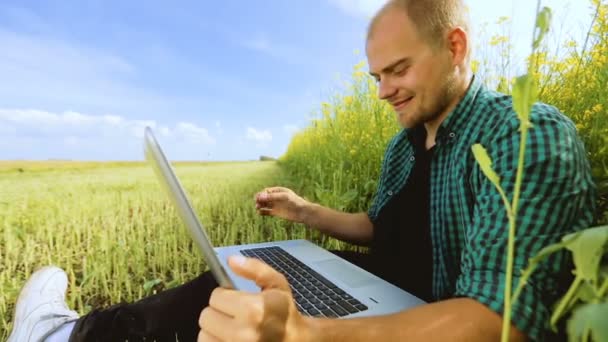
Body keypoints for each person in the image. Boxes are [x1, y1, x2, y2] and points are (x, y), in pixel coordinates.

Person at [8, 0, 597, 341]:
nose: (384, 91)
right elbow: (381, 227)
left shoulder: (523, 134)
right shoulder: (404, 143)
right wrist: (303, 213)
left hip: (433, 317)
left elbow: (500, 322)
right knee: (233, 281)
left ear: (456, 47)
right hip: (377, 290)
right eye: (375, 77)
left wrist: (310, 335)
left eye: (397, 70)